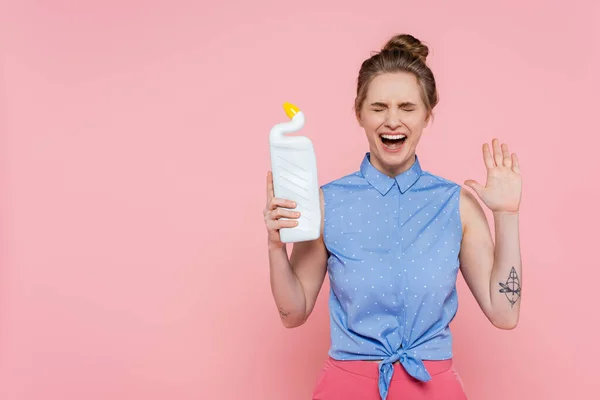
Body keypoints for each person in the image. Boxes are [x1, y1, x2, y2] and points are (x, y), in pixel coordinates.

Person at [263, 33, 523, 400]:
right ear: (359, 113)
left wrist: (506, 215)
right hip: (345, 389)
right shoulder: (327, 203)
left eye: (407, 107)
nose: (392, 121)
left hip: (433, 389)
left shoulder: (456, 205)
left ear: (427, 114)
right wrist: (276, 245)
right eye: (379, 107)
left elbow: (504, 313)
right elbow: (293, 313)